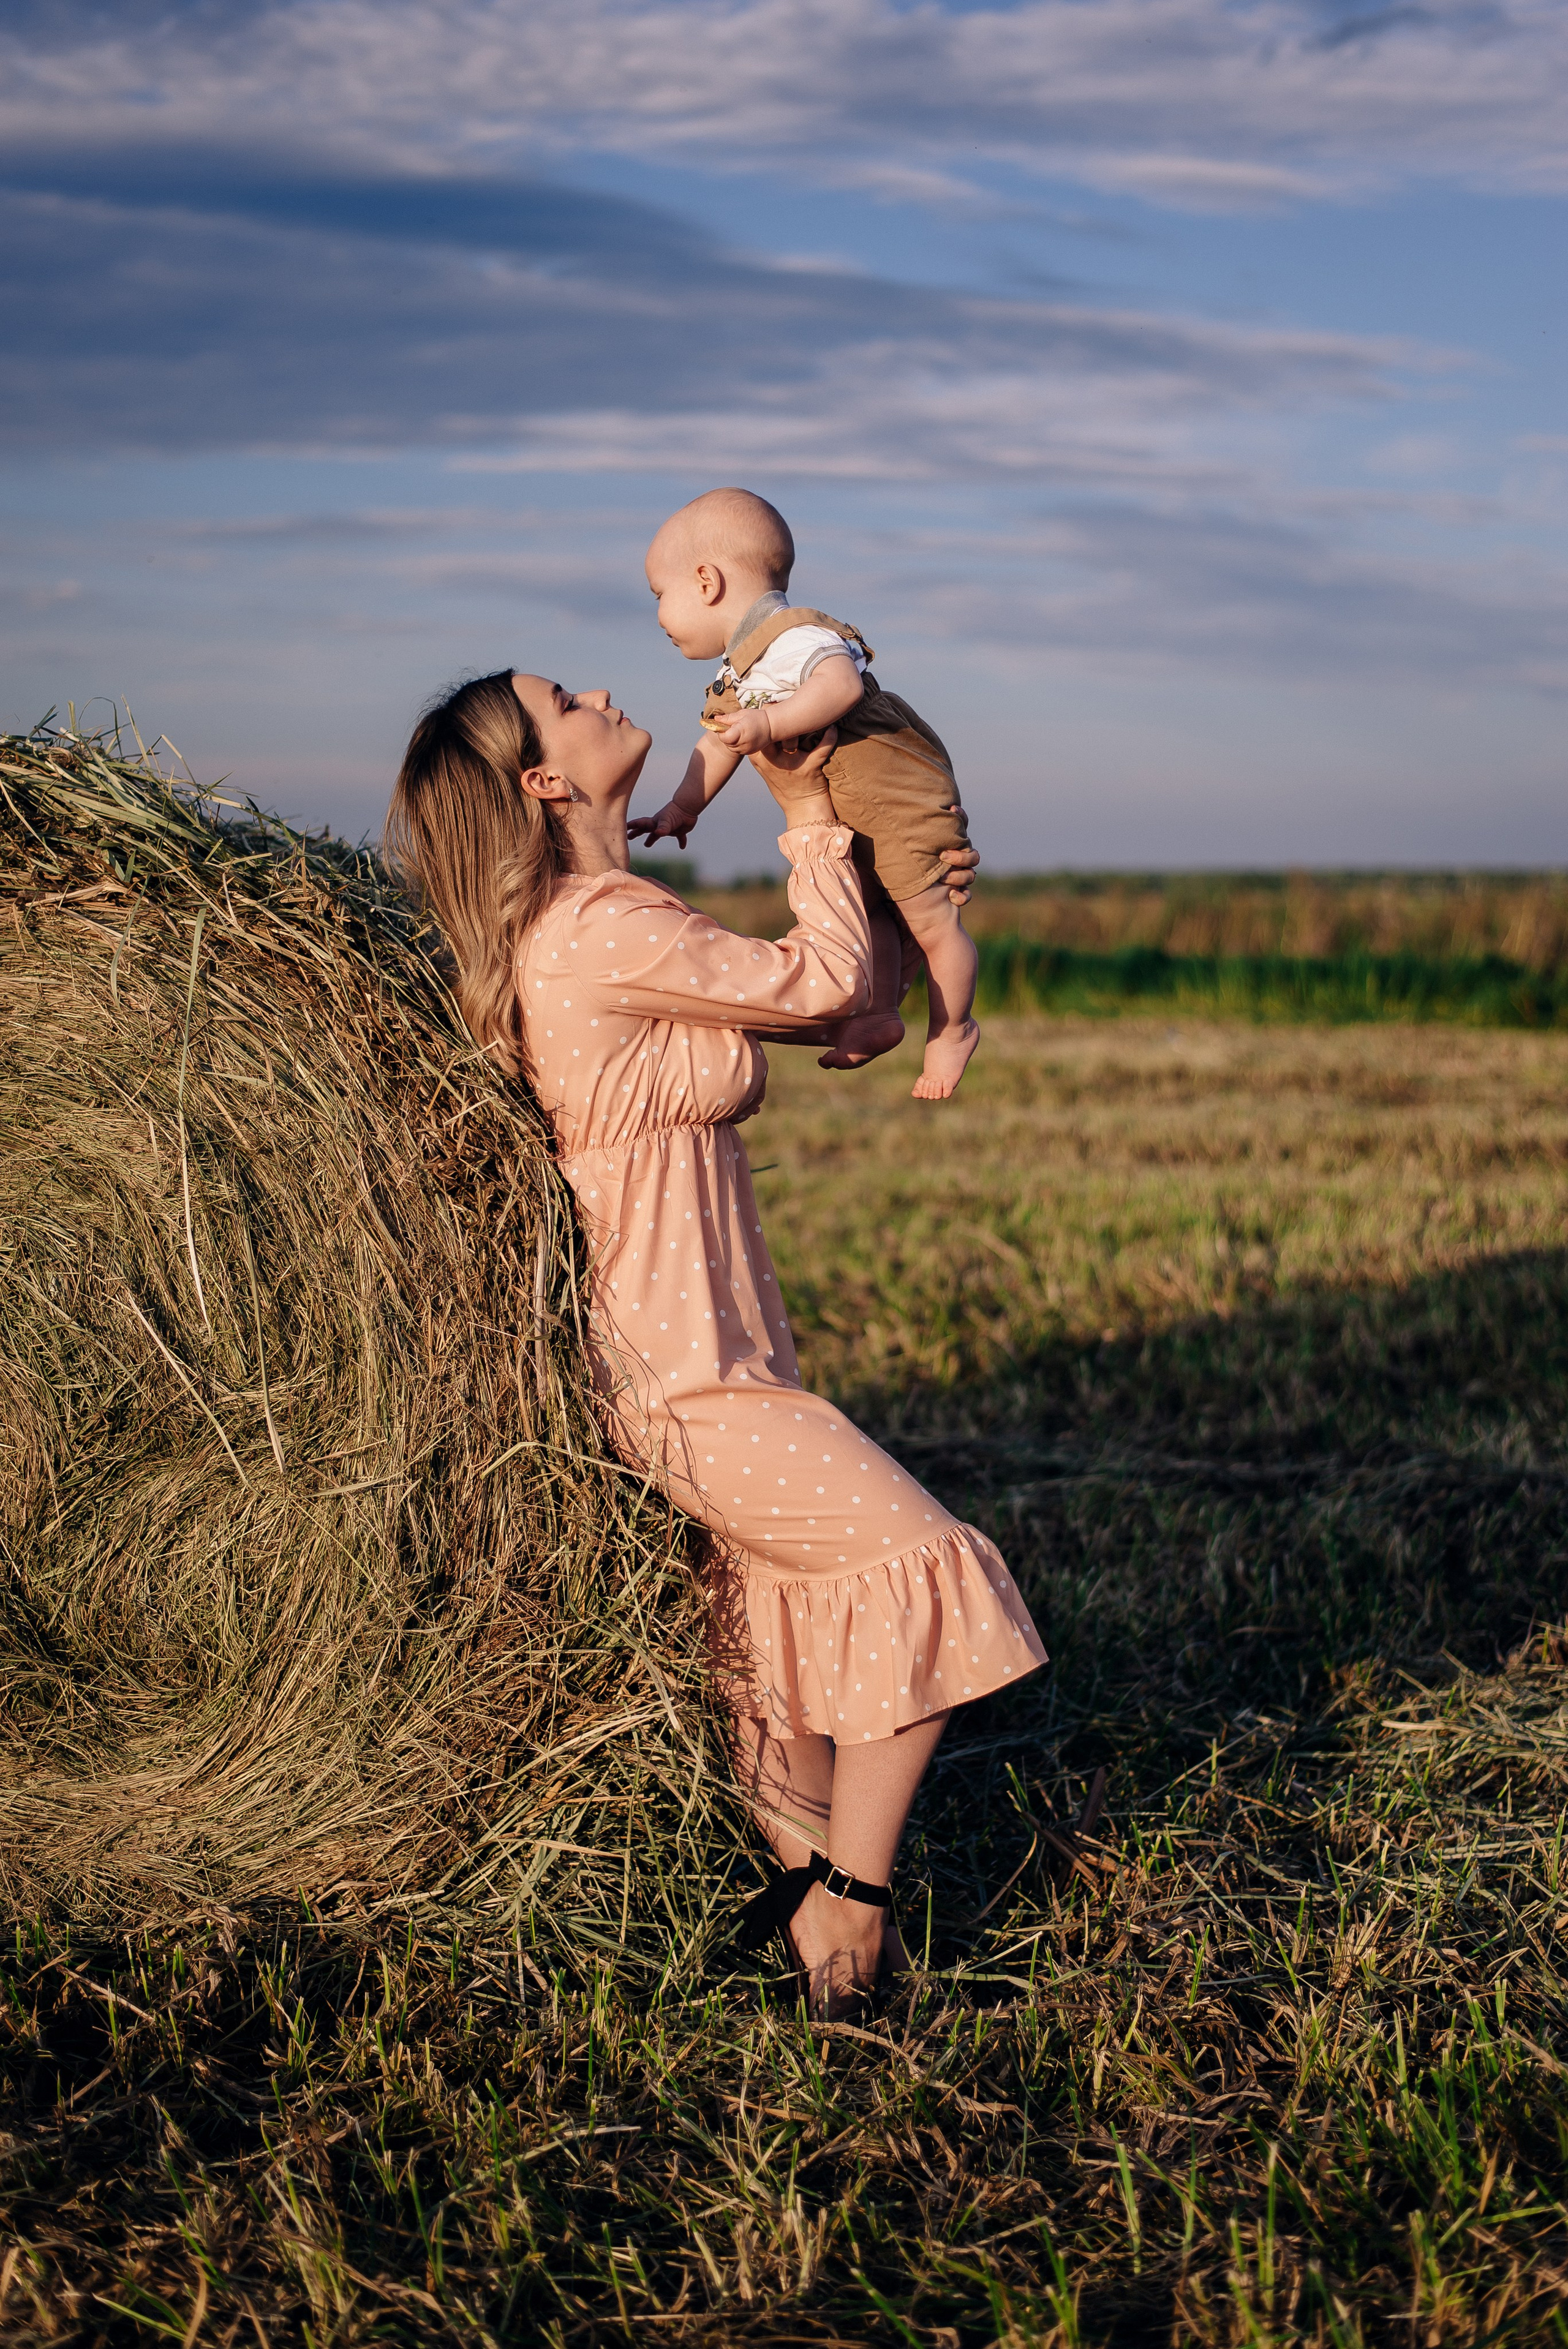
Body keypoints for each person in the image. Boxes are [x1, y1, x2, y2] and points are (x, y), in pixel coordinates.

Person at [386, 669, 1046, 2015]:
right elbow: (810, 987)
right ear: (543, 780)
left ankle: (819, 1925)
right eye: (566, 699)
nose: (605, 691)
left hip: (708, 1350)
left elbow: (845, 1006)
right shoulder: (592, 927)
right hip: (683, 1370)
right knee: (921, 1566)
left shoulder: (603, 921)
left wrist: (900, 890)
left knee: (764, 1651)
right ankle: (849, 1914)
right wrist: (809, 812)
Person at [633, 486, 981, 1101]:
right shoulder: (738, 673)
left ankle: (954, 1027)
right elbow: (719, 745)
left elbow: (840, 685)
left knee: (931, 922)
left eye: (661, 597)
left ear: (706, 582)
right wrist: (683, 807)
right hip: (850, 806)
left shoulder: (790, 636)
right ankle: (875, 1014)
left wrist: (766, 725)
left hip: (893, 797)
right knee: (867, 911)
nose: (658, 616)